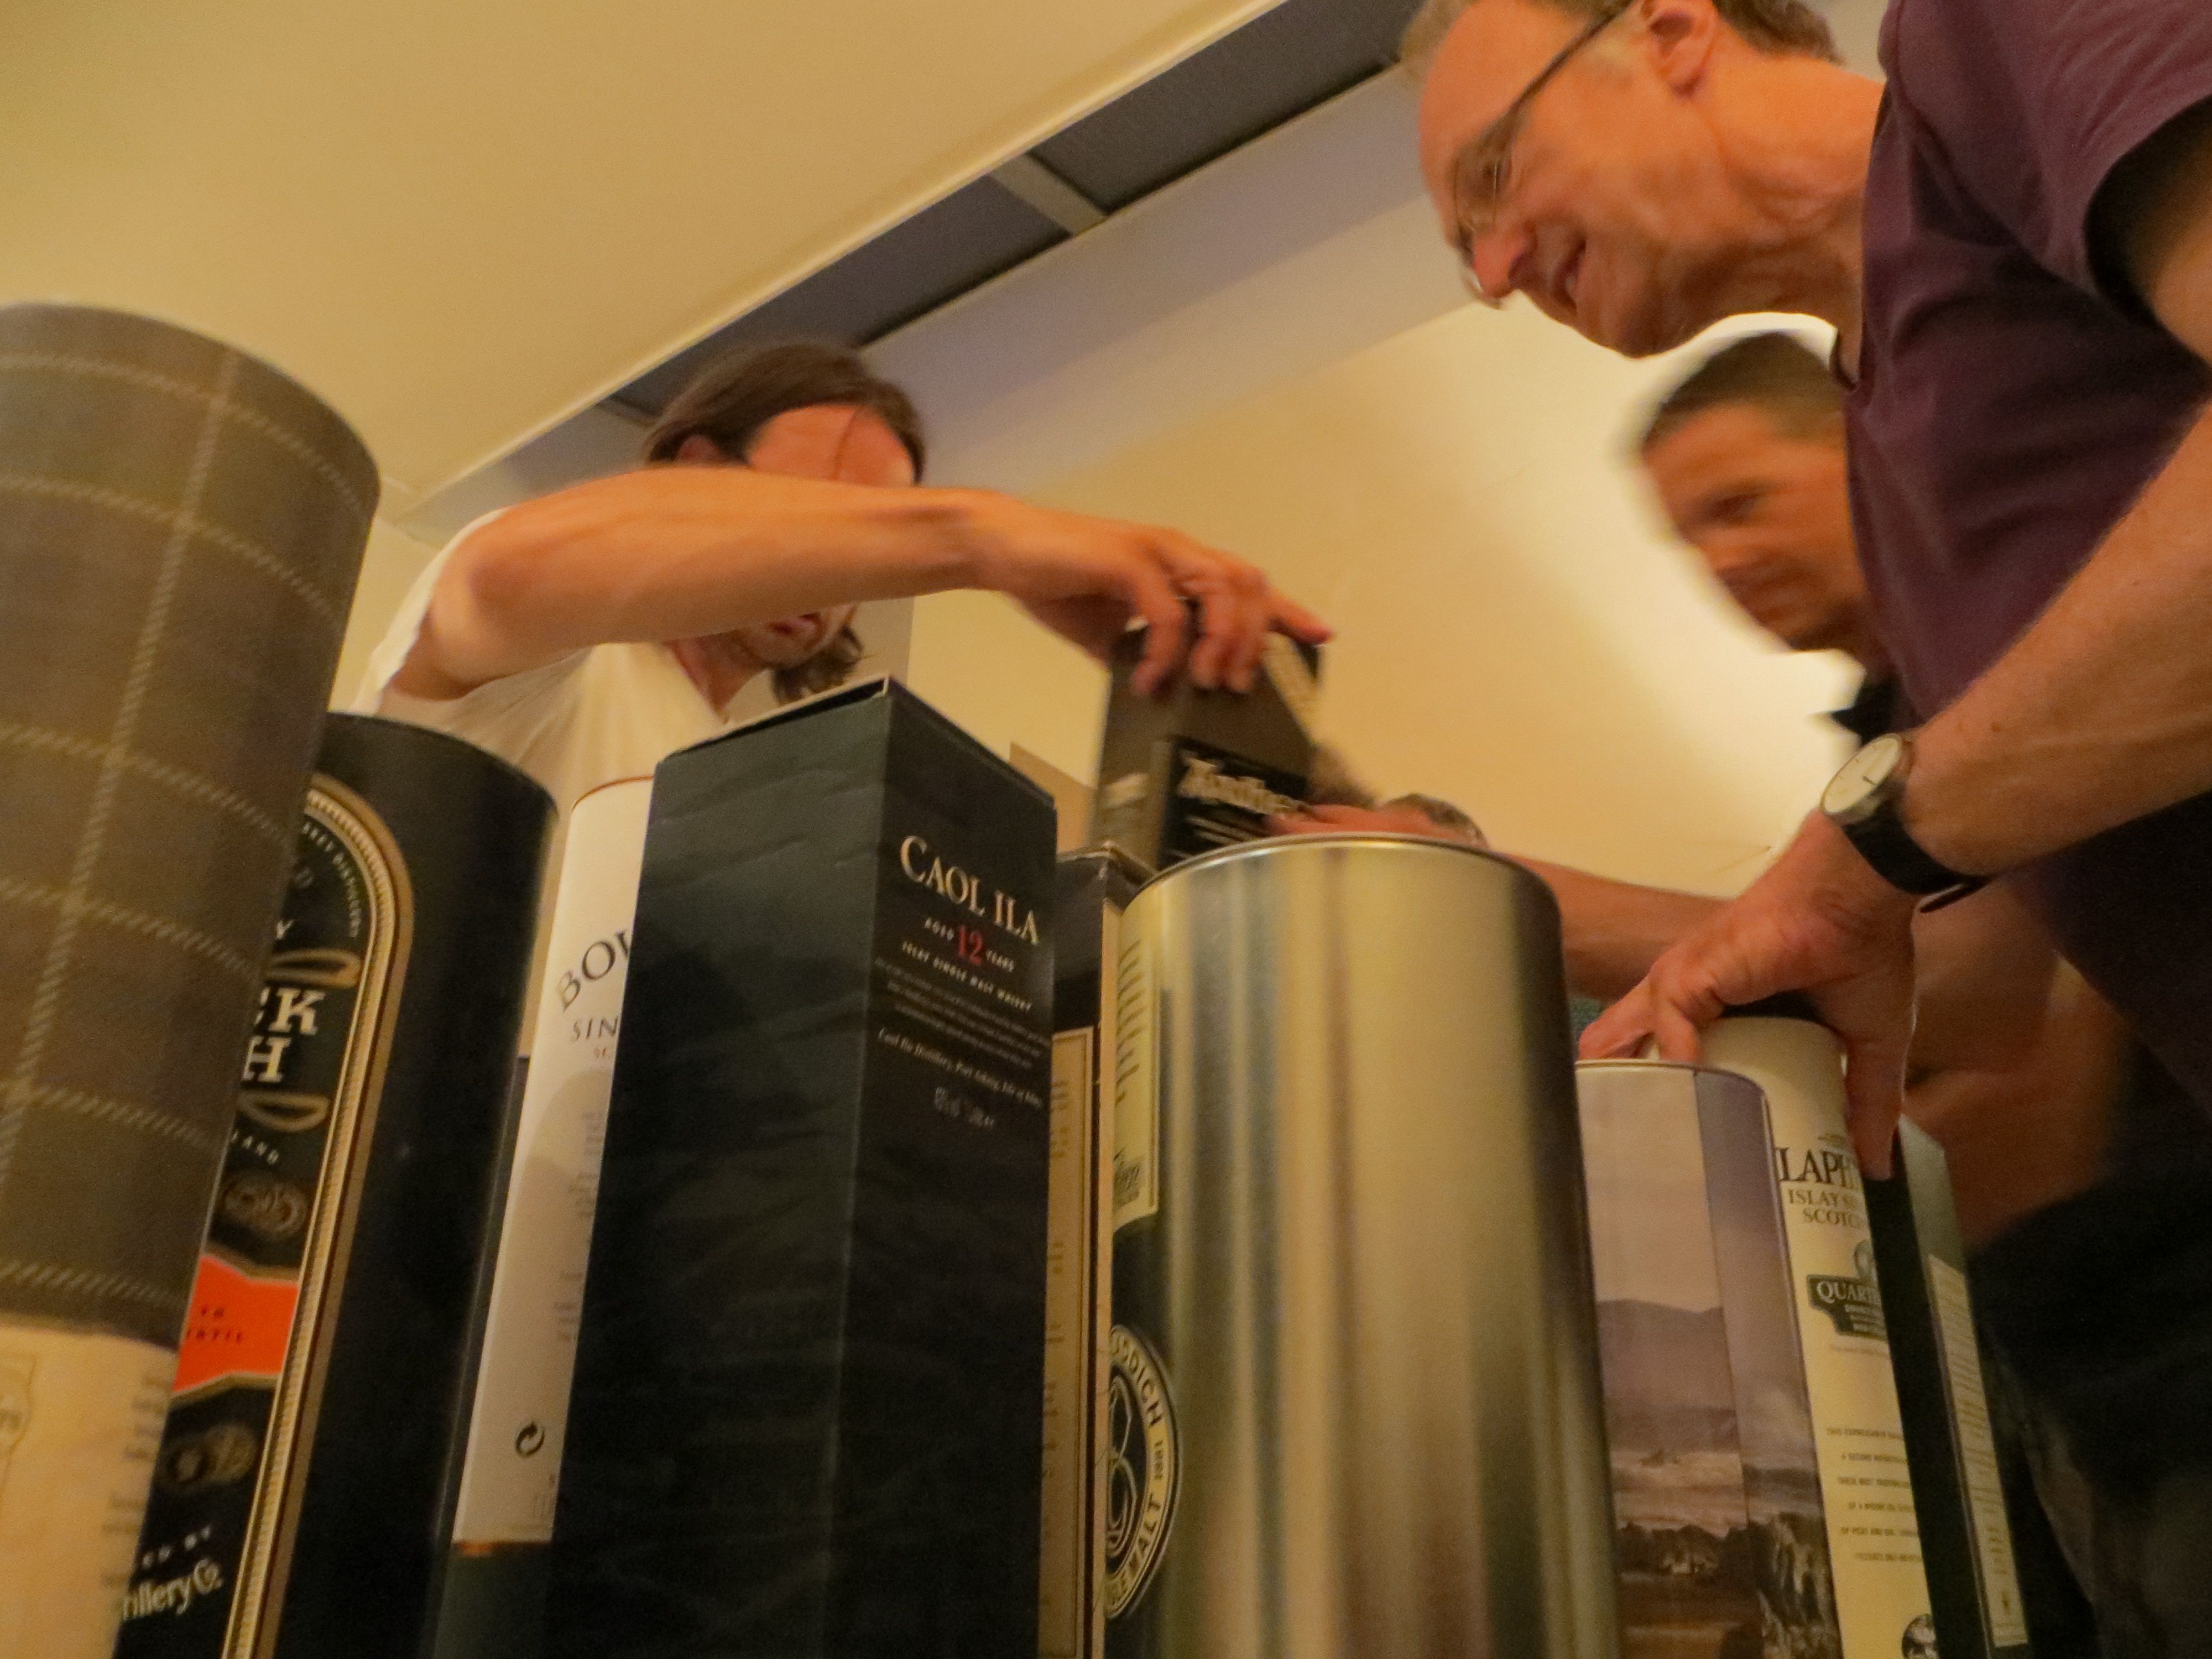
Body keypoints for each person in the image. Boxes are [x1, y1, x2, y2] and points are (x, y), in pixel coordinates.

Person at [1401, 0, 2212, 1644]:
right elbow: (1985, 982)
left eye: (1491, 178)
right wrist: (1485, 901)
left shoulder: (1993, 38)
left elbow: (1909, 853)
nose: (1488, 274)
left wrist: (1873, 845)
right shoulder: (1890, 460)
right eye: (1458, 247)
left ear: (1673, 32)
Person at [358, 341, 1327, 823]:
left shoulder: (735, 783)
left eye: (864, 533)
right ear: (695, 472)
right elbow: (498, 578)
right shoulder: (563, 665)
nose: (835, 559)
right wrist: (974, 535)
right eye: (813, 512)